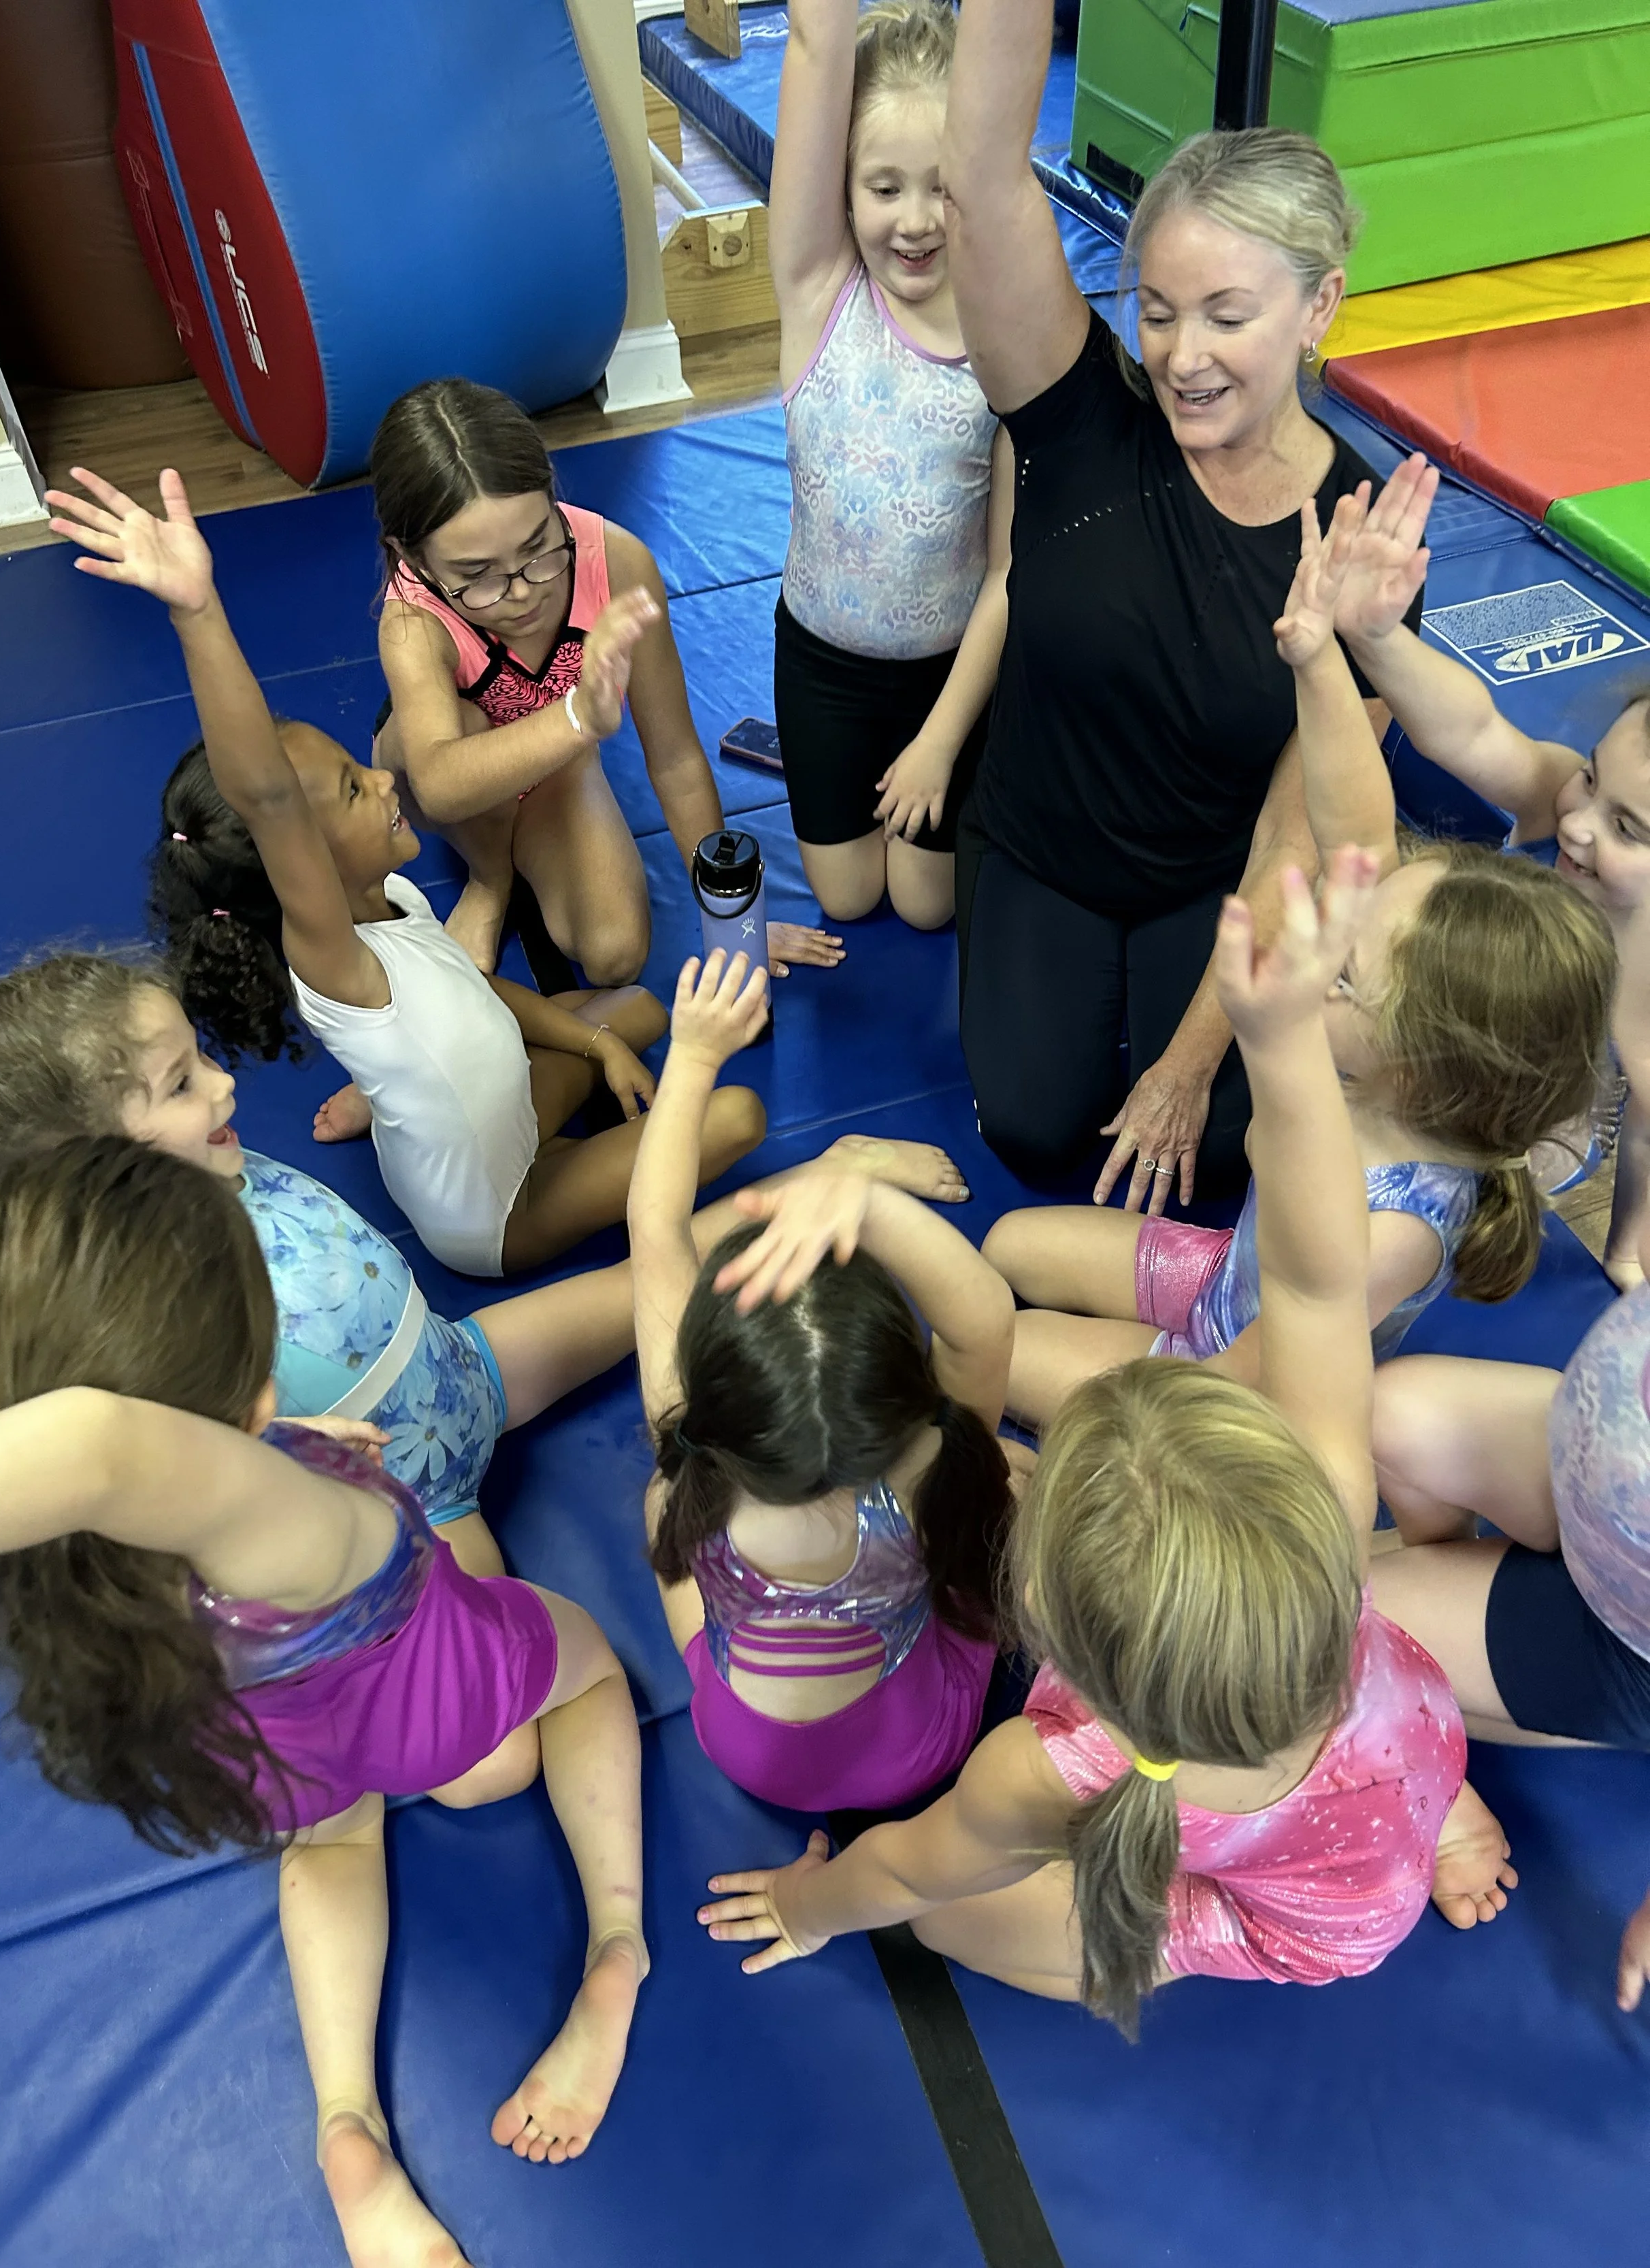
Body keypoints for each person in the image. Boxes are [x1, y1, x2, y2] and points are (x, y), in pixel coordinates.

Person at [694, 851, 1516, 2031]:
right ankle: (1449, 1806)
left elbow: (911, 1874)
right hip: (1388, 1757)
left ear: (1052, 1631)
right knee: (1375, 1772)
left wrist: (807, 1901)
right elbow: (1323, 1284)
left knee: (943, 1923)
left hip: (1301, 1912)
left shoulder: (1050, 1769)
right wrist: (1279, 1049)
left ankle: (1287, 1888)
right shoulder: (1333, 1520)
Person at [0, 1136, 647, 2268]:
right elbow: (111, 1443)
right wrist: (275, 1450)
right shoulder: (231, 1495)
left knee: (328, 1845)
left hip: (255, 1733)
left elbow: (107, 1447)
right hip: (424, 1686)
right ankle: (617, 1948)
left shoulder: (61, 1564)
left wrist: (274, 1439)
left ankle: (347, 2125)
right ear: (240, 1406)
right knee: (590, 1664)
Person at [938, 0, 1425, 1205]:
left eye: (1226, 315)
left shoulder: (1358, 535)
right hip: (1039, 843)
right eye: (1156, 310)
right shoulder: (1078, 414)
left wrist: (1190, 1059)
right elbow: (981, 187)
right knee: (1035, 1129)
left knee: (1202, 1154)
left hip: (1211, 875)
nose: (1182, 354)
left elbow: (1296, 830)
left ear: (1318, 309)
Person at [45, 463, 766, 1277]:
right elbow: (269, 795)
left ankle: (390, 1093)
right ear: (301, 862)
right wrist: (197, 610)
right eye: (357, 790)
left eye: (362, 769)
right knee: (735, 1117)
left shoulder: (384, 894)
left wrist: (596, 1045)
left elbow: (469, 988)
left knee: (635, 1012)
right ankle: (395, 1091)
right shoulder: (336, 959)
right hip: (499, 1209)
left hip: (496, 1093)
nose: (387, 780)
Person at [985, 493, 1615, 1423]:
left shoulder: (1398, 1226)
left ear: (1420, 1058)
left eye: (1346, 973)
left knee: (997, 1349)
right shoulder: (1401, 1068)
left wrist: (1128, 1409)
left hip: (1237, 1378)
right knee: (1003, 1247)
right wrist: (1323, 658)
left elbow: (1248, 1378)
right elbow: (1354, 822)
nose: (1317, 960)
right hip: (1221, 1285)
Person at [0, 951, 638, 1577]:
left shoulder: (219, 1160)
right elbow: (177, 1474)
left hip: (463, 1369)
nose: (224, 1085)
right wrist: (276, 1445)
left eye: (203, 1057)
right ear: (91, 1170)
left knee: (661, 1278)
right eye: (182, 1084)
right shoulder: (141, 1324)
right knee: (494, 1664)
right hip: (410, 1501)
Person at [629, 945, 1015, 1813]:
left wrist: (692, 1055)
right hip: (914, 1755)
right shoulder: (928, 1464)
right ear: (903, 1399)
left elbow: (654, 1228)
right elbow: (985, 1319)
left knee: (665, 1498)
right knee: (998, 1489)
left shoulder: (686, 1428)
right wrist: (866, 1196)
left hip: (744, 1750)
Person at [1366, 897, 1650, 2014]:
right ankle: (1448, 1620)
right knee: (1397, 1414)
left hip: (1632, 1624)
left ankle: (1434, 1714)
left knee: (1327, 1626)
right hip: (1599, 1470)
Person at [370, 376, 844, 979]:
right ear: (412, 558)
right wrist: (576, 718)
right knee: (460, 730)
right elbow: (437, 784)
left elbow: (674, 756)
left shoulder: (616, 562)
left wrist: (731, 917)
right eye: (478, 574)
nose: (520, 593)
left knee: (614, 953)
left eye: (538, 547)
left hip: (557, 760)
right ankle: (489, 879)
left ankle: (527, 836)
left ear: (552, 498)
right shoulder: (411, 618)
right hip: (449, 772)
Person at [1330, 450, 1650, 1283]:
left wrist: (1623, 1249)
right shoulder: (1556, 803)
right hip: (1437, 1051)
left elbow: (1645, 1128)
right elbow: (1471, 731)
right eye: (1591, 775)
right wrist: (1376, 639)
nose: (1577, 823)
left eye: (1628, 828)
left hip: (1528, 1130)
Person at [768, 0, 1012, 929]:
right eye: (883, 188)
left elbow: (1007, 570)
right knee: (847, 895)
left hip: (946, 677)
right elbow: (816, 41)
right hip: (822, 665)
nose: (915, 223)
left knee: (923, 907)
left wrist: (942, 740)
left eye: (941, 189)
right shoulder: (817, 291)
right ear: (840, 188)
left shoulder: (1000, 347)